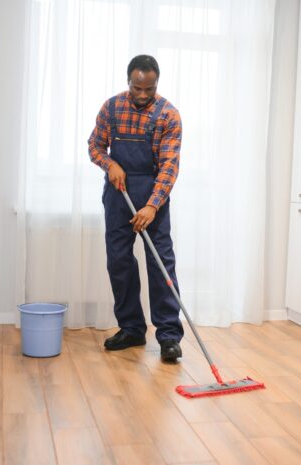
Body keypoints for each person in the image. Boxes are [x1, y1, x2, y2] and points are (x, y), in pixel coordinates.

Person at [88, 55, 184, 362]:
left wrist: (152, 207)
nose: (142, 95)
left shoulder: (168, 115)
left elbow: (169, 167)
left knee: (160, 266)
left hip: (153, 193)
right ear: (128, 81)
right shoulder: (112, 108)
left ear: (157, 83)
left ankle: (169, 336)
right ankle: (131, 328)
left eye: (149, 89)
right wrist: (110, 163)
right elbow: (94, 145)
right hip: (118, 194)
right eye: (136, 88)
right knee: (119, 262)